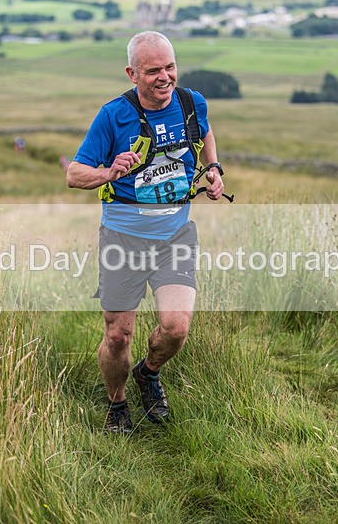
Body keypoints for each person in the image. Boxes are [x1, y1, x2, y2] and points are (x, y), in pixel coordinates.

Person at [66, 31, 224, 434]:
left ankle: (148, 372)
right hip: (123, 238)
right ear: (132, 73)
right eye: (153, 71)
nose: (164, 77)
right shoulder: (113, 115)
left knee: (176, 328)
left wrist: (213, 168)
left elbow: (203, 131)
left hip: (176, 236)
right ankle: (117, 403)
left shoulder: (192, 102)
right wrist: (108, 171)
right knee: (118, 335)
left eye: (170, 67)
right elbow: (74, 174)